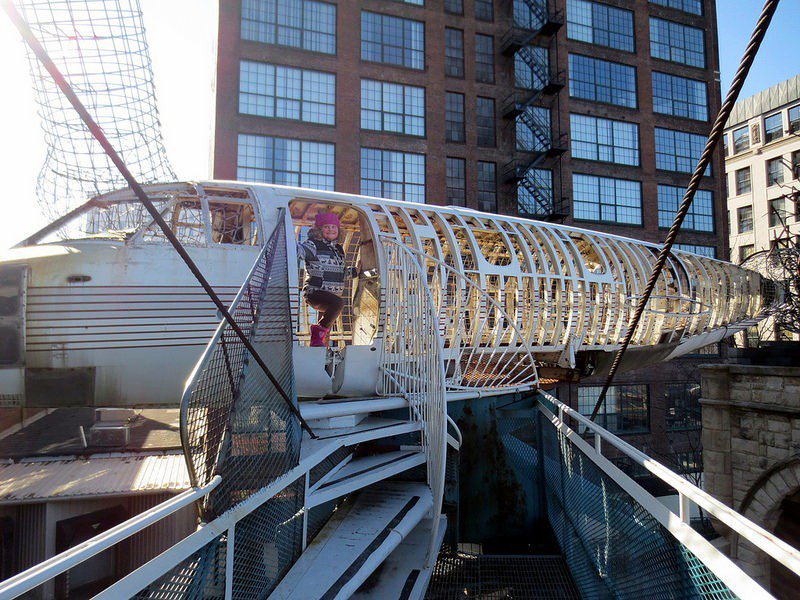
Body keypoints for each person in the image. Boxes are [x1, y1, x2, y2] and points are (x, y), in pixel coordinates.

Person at [297, 212, 358, 347]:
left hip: (331, 296)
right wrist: (292, 245)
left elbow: (340, 273)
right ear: (318, 230)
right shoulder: (313, 245)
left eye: (333, 227)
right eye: (326, 227)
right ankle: (318, 331)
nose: (331, 229)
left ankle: (318, 338)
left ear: (338, 230)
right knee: (338, 303)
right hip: (315, 292)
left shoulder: (339, 249)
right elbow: (300, 251)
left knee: (336, 304)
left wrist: (355, 271)